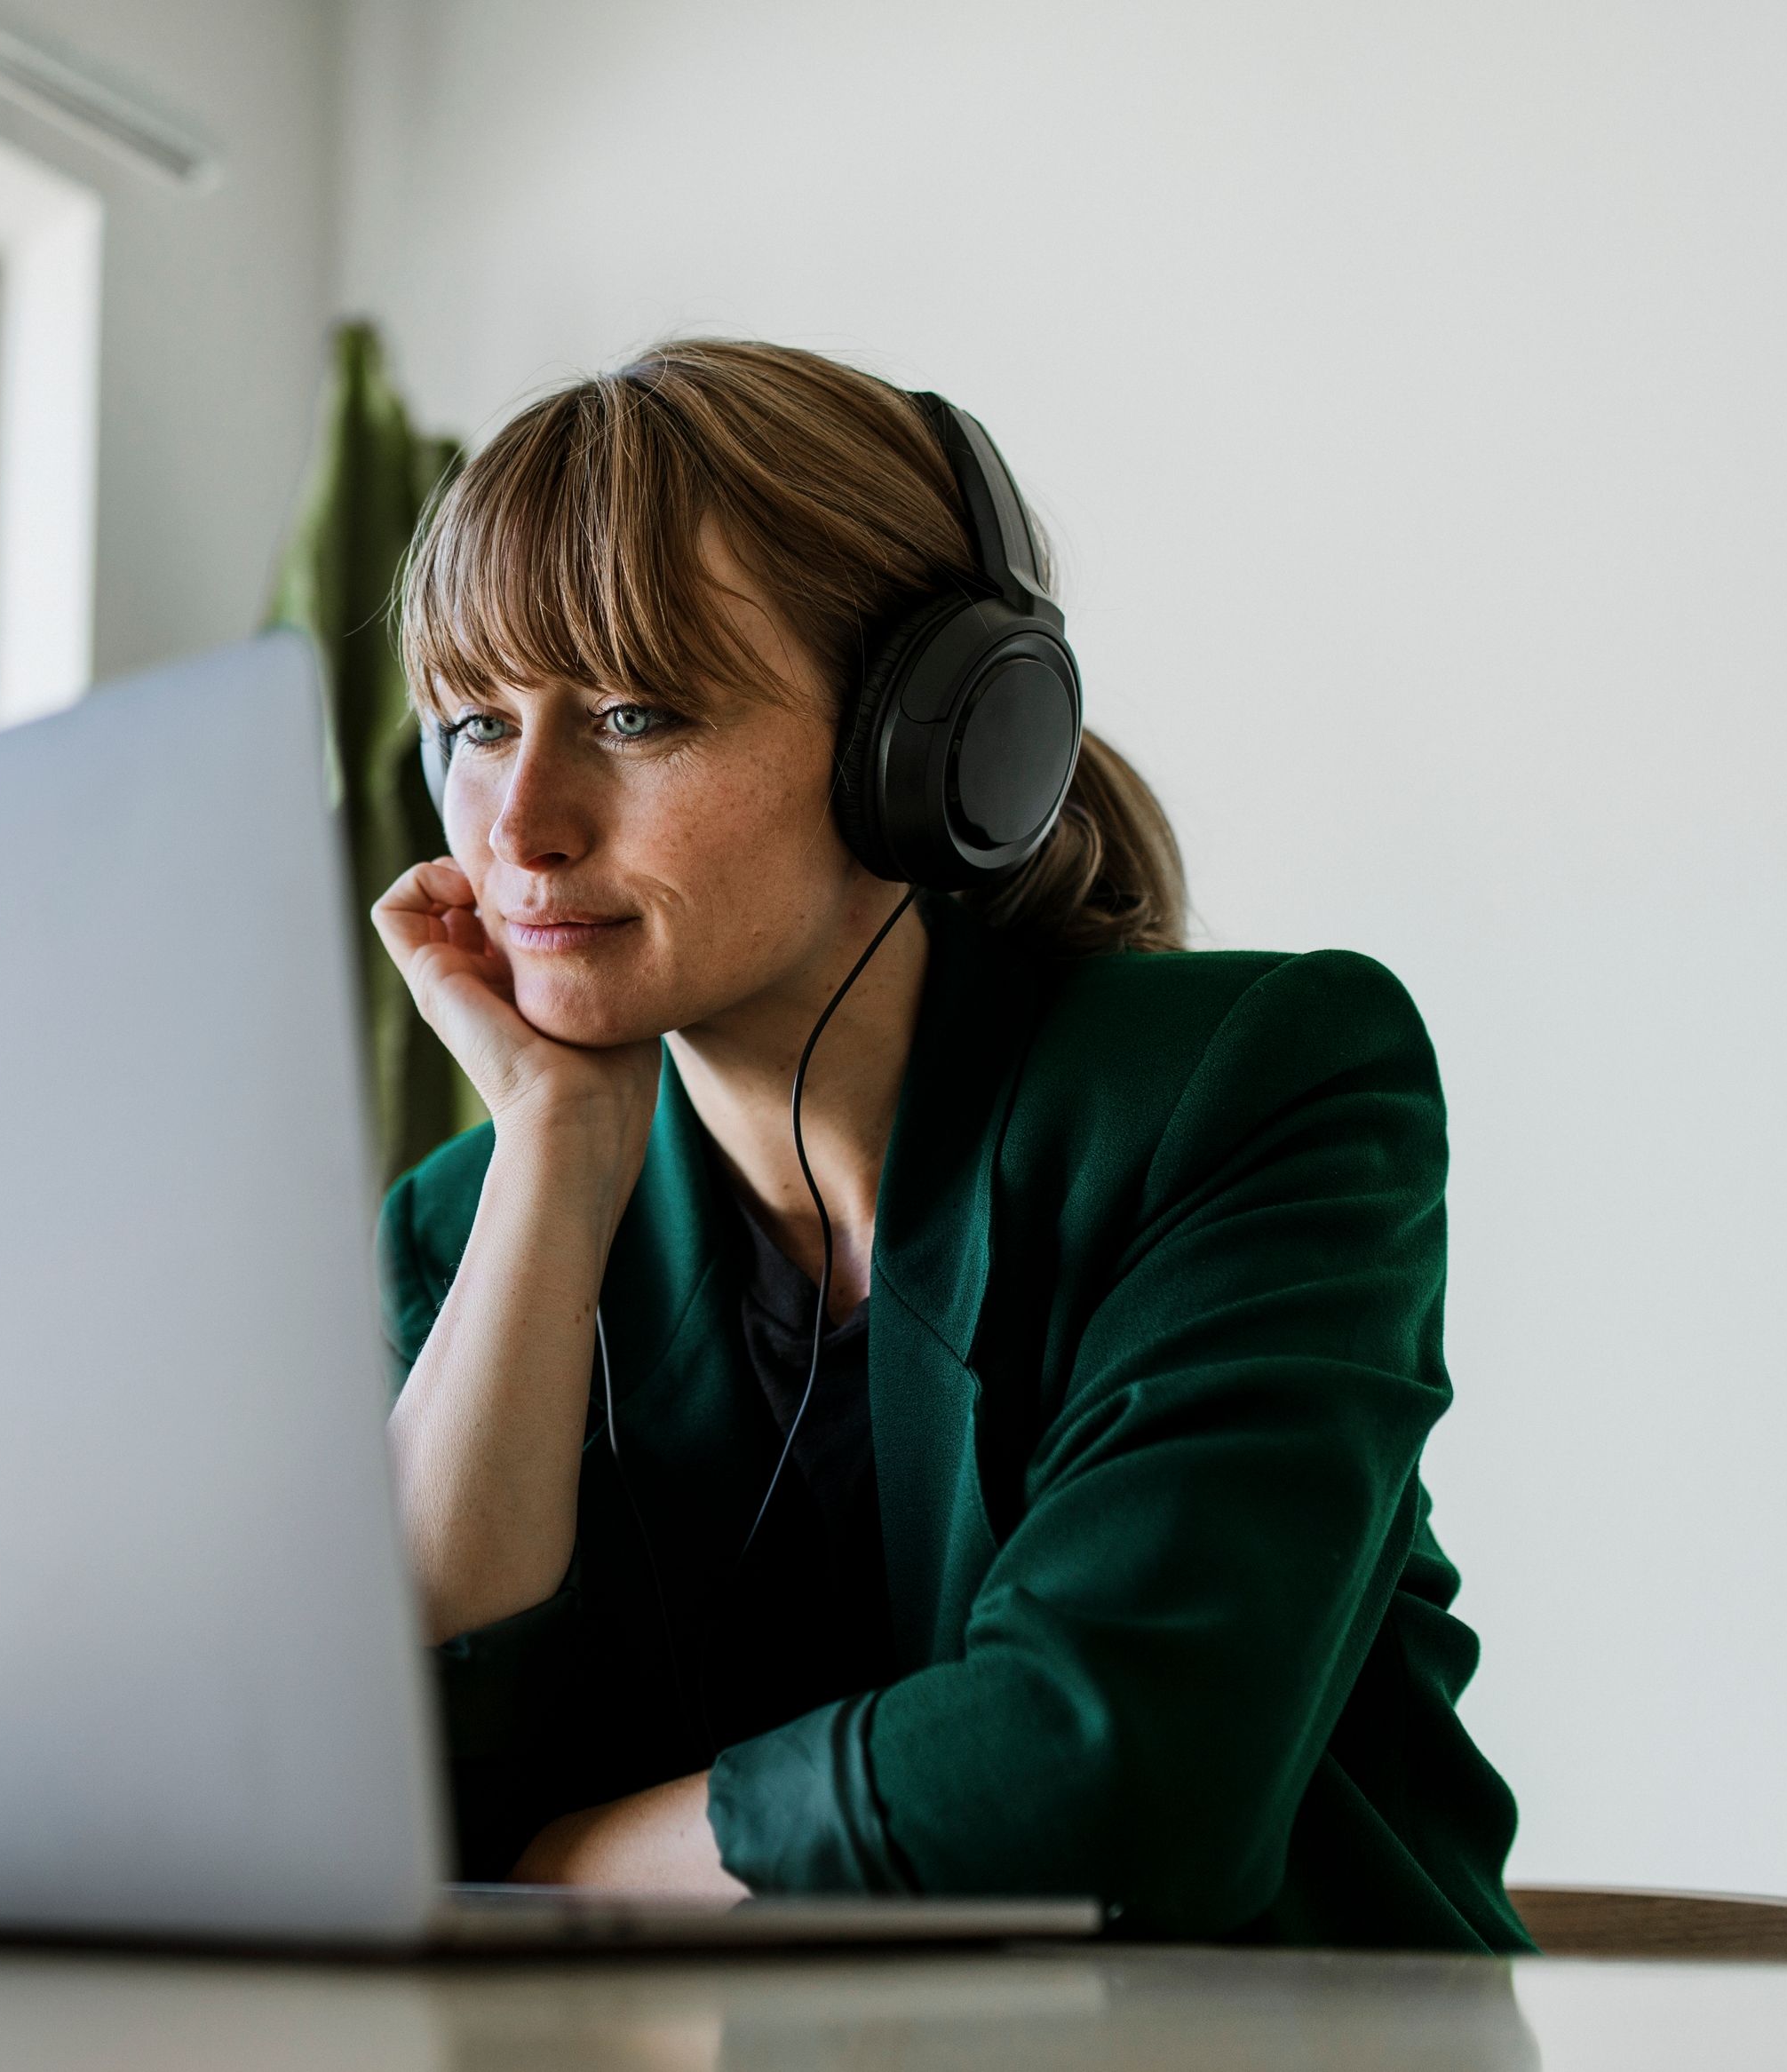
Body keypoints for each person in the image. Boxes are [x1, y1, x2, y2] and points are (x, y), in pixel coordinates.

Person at [370, 339, 1527, 1949]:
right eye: (476, 724)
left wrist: (560, 1865)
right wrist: (552, 1155)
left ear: (929, 741)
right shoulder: (467, 1226)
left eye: (636, 711)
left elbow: (1105, 1775)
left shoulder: (1251, 1093)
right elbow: (364, 1798)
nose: (523, 829)